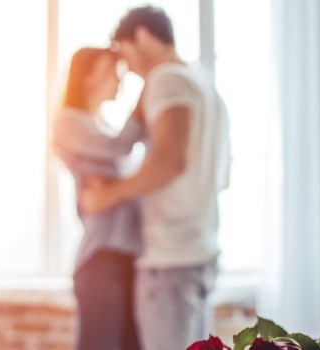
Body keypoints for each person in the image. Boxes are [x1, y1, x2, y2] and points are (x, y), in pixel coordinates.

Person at [81, 5, 231, 349]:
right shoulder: (204, 84)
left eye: (125, 52)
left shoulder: (166, 79)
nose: (127, 68)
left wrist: (109, 195)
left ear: (143, 36)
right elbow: (221, 176)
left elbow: (169, 160)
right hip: (199, 252)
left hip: (169, 261)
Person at [52, 47, 144, 350]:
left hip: (127, 259)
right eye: (111, 72)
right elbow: (118, 147)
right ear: (88, 78)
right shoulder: (68, 122)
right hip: (102, 260)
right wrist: (146, 99)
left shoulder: (102, 125)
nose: (119, 81)